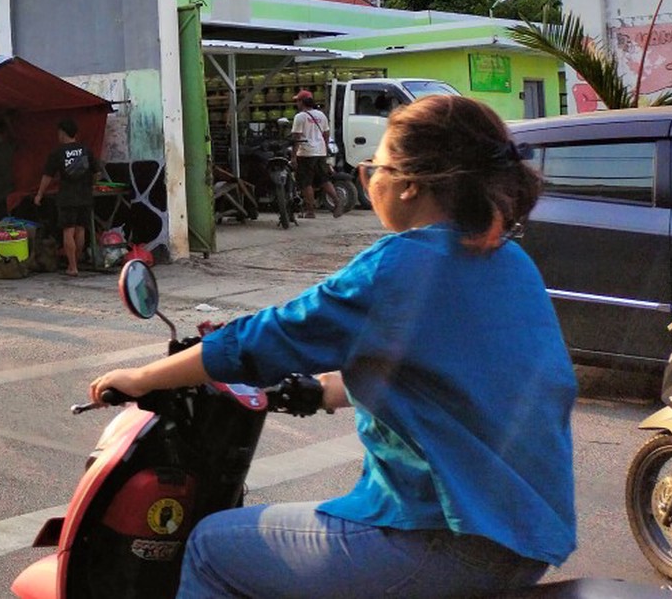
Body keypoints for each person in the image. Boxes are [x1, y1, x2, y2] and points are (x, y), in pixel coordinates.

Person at [89, 95, 574, 598]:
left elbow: (262, 340)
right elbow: (452, 373)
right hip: (523, 538)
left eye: (373, 168)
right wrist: (323, 391)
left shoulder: (400, 265)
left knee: (211, 546)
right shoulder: (507, 259)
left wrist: (139, 377)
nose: (369, 180)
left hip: (441, 538)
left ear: (408, 184)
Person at [34, 118, 95, 278]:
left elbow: (47, 176)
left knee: (68, 230)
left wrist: (39, 194)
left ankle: (72, 267)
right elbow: (97, 172)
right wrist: (90, 185)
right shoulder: (86, 150)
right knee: (81, 229)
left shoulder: (58, 153)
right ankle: (77, 262)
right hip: (84, 196)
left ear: (62, 133)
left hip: (67, 196)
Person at [292, 89, 344, 219]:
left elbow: (296, 138)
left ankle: (310, 211)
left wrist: (293, 157)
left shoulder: (300, 117)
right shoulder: (321, 115)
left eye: (298, 101)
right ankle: (337, 202)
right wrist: (324, 149)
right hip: (320, 152)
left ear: (302, 102)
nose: (297, 103)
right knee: (324, 180)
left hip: (305, 153)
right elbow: (326, 134)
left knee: (306, 183)